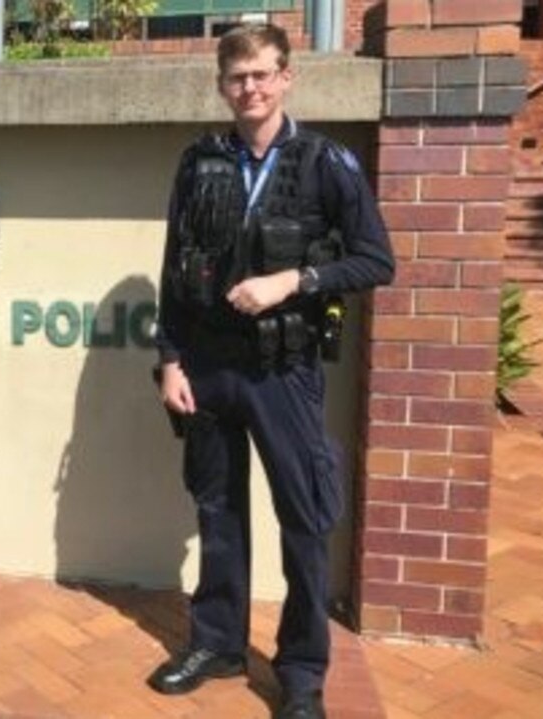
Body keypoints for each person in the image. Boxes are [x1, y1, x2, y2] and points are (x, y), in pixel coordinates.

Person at [150, 23, 394, 719]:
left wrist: (294, 278)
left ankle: (301, 672)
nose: (249, 88)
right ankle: (217, 641)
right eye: (236, 78)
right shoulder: (198, 162)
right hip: (206, 366)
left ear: (286, 77)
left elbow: (376, 261)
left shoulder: (326, 163)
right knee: (217, 509)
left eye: (261, 74)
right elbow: (173, 265)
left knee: (302, 522)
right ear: (220, 85)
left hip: (282, 372)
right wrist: (168, 358)